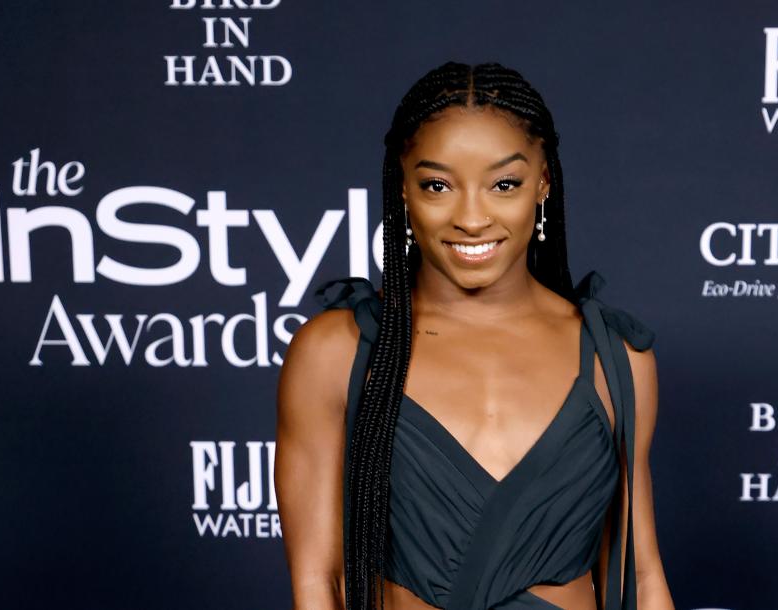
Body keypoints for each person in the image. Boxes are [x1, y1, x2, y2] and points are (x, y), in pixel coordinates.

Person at [276, 61, 674, 610]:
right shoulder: (337, 351)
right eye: (437, 185)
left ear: (543, 182)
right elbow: (316, 583)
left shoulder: (616, 357)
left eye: (503, 183)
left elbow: (642, 574)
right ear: (403, 190)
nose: (471, 217)